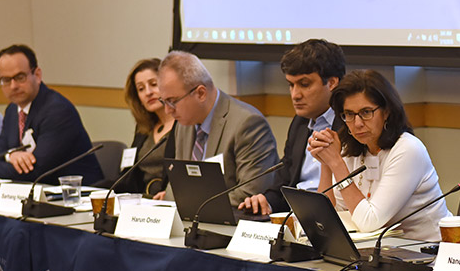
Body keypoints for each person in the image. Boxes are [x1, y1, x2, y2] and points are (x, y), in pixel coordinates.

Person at [308, 69, 448, 241]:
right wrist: (326, 162)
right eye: (349, 114)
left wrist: (336, 163)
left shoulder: (408, 149)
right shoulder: (352, 148)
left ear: (386, 111)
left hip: (426, 253)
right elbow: (325, 217)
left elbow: (369, 222)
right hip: (379, 252)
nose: (357, 124)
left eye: (366, 112)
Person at [158, 51, 279, 207]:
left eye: (172, 101)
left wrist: (191, 205)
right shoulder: (183, 124)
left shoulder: (247, 124)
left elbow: (251, 193)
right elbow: (178, 186)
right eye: (164, 102)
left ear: (201, 93)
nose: (168, 110)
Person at [239, 39, 344, 215]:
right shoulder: (300, 123)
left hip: (334, 217)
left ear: (332, 83)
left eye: (304, 84)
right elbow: (284, 181)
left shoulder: (352, 125)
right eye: (291, 85)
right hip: (297, 216)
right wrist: (266, 202)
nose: (295, 95)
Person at [0, 44, 102, 182]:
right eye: (6, 80)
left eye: (20, 77)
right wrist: (11, 155)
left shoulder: (57, 110)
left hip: (78, 196)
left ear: (37, 75)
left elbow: (36, 171)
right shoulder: (12, 110)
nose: (13, 86)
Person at [117, 58, 176, 196]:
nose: (148, 92)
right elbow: (128, 176)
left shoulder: (184, 126)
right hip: (141, 201)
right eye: (141, 89)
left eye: (154, 84)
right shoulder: (143, 128)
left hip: (169, 201)